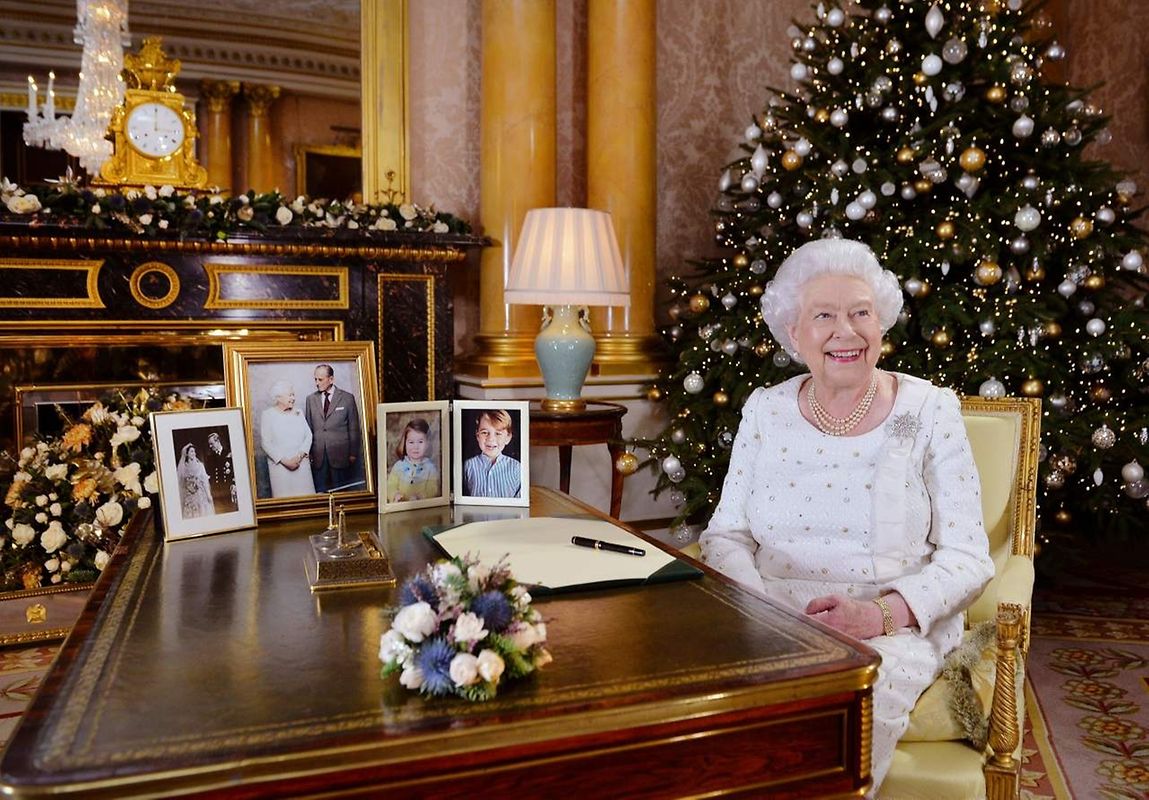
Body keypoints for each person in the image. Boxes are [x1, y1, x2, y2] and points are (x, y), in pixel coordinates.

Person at [698, 238, 993, 794]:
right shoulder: (766, 409)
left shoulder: (929, 411)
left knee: (837, 718)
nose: (846, 331)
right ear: (792, 333)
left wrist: (878, 616)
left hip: (886, 630)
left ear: (881, 325)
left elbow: (968, 557)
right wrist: (758, 611)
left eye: (861, 313)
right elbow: (727, 533)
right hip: (766, 617)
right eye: (824, 316)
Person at [305, 364, 362, 493]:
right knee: (320, 494)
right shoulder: (310, 400)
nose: (317, 383)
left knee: (341, 493)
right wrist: (310, 453)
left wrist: (353, 453)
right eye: (315, 379)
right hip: (319, 457)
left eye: (320, 379)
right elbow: (308, 428)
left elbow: (353, 428)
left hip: (341, 455)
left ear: (331, 379)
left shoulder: (347, 398)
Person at [261, 380, 316, 498]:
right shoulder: (268, 415)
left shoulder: (298, 412)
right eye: (290, 395)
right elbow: (266, 443)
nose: (293, 398)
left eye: (293, 395)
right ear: (278, 397)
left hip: (301, 465)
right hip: (280, 468)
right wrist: (286, 462)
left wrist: (299, 456)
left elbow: (309, 435)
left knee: (307, 501)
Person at [462, 410, 521, 498]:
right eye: (484, 433)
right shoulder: (468, 466)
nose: (491, 439)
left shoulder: (517, 468)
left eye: (498, 433)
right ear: (477, 435)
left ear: (508, 438)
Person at [386, 417, 440, 502]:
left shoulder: (430, 468)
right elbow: (390, 486)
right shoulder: (399, 466)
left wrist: (422, 496)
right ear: (405, 443)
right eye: (411, 442)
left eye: (420, 442)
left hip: (422, 510)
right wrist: (395, 495)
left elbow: (433, 489)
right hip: (400, 510)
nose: (416, 447)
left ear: (427, 444)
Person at [176, 443, 215, 519]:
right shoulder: (184, 467)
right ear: (186, 454)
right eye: (191, 451)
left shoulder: (200, 465)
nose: (194, 453)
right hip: (189, 495)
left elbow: (205, 481)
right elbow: (181, 483)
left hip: (200, 494)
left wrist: (208, 495)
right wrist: (189, 487)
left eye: (194, 451)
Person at [203, 431, 238, 513]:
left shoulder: (229, 453)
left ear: (217, 441)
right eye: (209, 444)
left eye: (212, 443)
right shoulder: (210, 458)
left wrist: (234, 485)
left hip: (228, 490)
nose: (210, 446)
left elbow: (234, 472)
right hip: (217, 492)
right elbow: (209, 475)